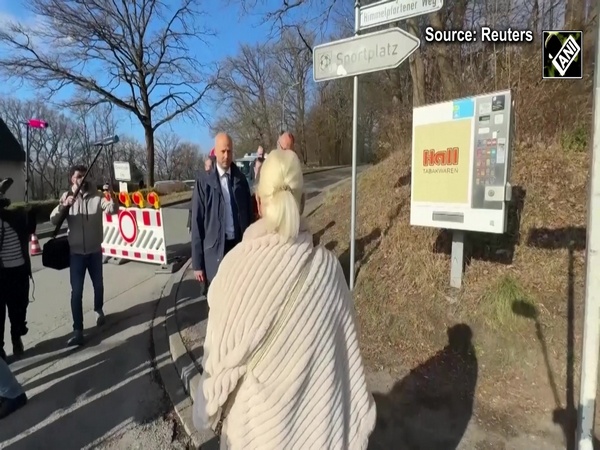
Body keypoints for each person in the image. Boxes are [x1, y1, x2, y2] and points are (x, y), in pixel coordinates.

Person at [193, 149, 376, 449]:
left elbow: (215, 366)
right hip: (318, 434)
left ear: (258, 203)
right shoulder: (329, 270)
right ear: (302, 202)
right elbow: (347, 364)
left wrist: (206, 408)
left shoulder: (233, 269)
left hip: (254, 435)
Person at [50, 165, 118, 347]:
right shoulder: (66, 197)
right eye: (79, 176)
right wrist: (64, 206)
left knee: (98, 284)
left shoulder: (97, 196)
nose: (83, 179)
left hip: (95, 251)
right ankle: (78, 330)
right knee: (76, 292)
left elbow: (112, 209)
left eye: (85, 176)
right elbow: (53, 219)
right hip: (76, 254)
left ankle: (98, 309)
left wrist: (112, 195)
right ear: (72, 179)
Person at [191, 133, 253, 286]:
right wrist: (197, 264)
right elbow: (197, 222)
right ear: (215, 152)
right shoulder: (204, 182)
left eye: (229, 151)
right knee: (216, 298)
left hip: (238, 248)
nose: (226, 155)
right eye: (223, 151)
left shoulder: (240, 180)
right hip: (215, 251)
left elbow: (249, 216)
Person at [0, 178, 35, 360]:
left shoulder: (14, 216)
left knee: (18, 308)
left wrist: (30, 213)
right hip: (2, 274)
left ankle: (16, 336)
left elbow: (29, 229)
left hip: (19, 271)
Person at [188, 156, 215, 233]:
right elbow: (194, 205)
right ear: (205, 166)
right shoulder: (201, 182)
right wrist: (190, 223)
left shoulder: (217, 182)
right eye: (208, 166)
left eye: (211, 167)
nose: (209, 169)